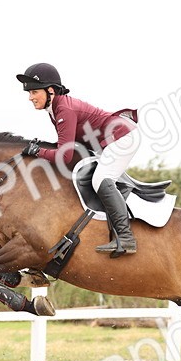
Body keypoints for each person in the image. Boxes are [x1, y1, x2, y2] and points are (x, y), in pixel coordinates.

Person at [16, 62, 140, 256]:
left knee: (100, 179)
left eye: (34, 92)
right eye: (29, 93)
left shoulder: (64, 109)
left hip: (122, 137)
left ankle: (125, 238)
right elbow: (67, 147)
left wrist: (37, 152)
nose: (30, 98)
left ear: (50, 91)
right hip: (108, 141)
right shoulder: (55, 108)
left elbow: (64, 155)